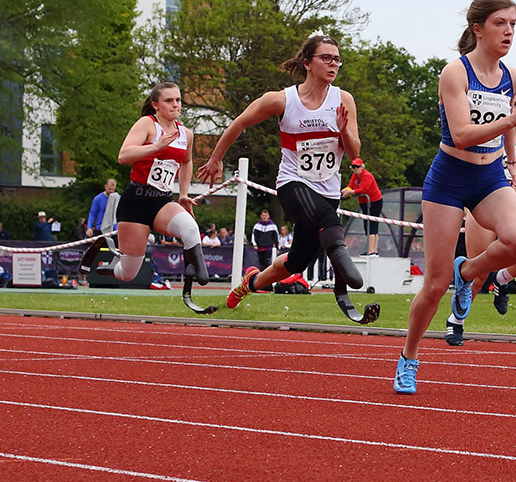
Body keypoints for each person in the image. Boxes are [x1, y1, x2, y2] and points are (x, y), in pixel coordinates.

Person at [394, 0, 516, 394]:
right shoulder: (455, 74)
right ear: (478, 29)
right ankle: (409, 358)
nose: (509, 31)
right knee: (433, 282)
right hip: (449, 177)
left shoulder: (513, 76)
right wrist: (512, 118)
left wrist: (512, 164)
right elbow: (462, 135)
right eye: (500, 23)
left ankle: (469, 273)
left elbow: (510, 128)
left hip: (490, 177)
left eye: (514, 23)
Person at [197, 33, 364, 313]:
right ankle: (344, 271)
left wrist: (343, 128)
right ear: (307, 63)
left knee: (297, 262)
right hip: (293, 183)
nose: (333, 64)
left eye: (337, 59)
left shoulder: (343, 99)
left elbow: (355, 152)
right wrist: (215, 159)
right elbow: (239, 123)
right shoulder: (282, 100)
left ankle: (250, 283)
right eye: (326, 58)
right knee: (327, 222)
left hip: (328, 188)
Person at [89, 82, 209, 291]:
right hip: (136, 201)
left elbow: (186, 162)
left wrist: (183, 194)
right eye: (169, 101)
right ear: (156, 105)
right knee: (128, 273)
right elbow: (123, 155)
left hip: (162, 200)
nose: (175, 105)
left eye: (178, 100)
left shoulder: (186, 134)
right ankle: (110, 267)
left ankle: (197, 277)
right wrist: (156, 147)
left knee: (190, 228)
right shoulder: (147, 124)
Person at [447, 119, 516, 346]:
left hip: (515, 208)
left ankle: (502, 278)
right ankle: (456, 321)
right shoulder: (491, 132)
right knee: (477, 275)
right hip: (485, 202)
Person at [341, 157, 383, 256]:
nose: (355, 169)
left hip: (374, 201)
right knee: (366, 224)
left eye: (357, 167)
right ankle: (371, 250)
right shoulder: (355, 176)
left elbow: (364, 189)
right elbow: (351, 185)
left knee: (372, 224)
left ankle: (372, 251)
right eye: (354, 167)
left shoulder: (367, 176)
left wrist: (350, 192)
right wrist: (345, 190)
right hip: (364, 202)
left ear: (362, 167)